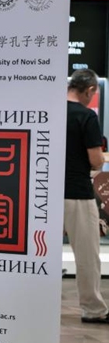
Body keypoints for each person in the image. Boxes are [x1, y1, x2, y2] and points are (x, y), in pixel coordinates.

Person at [64, 69, 109, 323]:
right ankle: (93, 310)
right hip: (78, 194)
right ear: (90, 90)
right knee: (87, 256)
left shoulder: (50, 112)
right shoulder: (86, 116)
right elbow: (95, 160)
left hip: (44, 195)